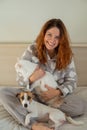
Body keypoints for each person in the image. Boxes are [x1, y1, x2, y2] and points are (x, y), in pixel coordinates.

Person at [0, 18, 85, 130]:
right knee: (4, 93)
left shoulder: (67, 55)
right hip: (32, 98)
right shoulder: (32, 50)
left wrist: (57, 92)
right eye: (49, 35)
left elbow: (72, 81)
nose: (52, 40)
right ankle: (33, 124)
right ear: (43, 34)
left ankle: (45, 113)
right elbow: (19, 80)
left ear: (61, 39)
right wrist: (31, 79)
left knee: (80, 106)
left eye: (57, 37)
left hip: (55, 100)